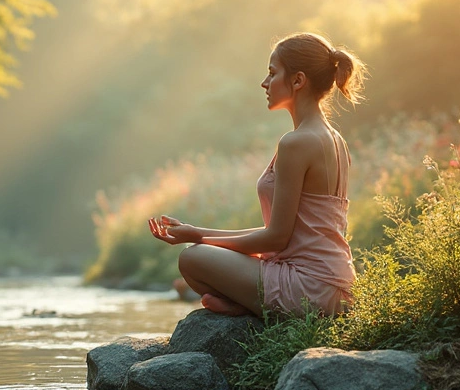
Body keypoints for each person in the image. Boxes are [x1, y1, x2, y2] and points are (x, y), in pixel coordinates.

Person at [148, 32, 365, 317]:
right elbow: (286, 234)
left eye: (273, 73)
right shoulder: (336, 139)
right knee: (200, 251)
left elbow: (276, 239)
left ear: (298, 80)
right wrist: (197, 232)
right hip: (339, 284)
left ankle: (246, 309)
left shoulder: (296, 142)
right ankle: (244, 305)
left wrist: (198, 237)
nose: (264, 83)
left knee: (191, 258)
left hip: (310, 287)